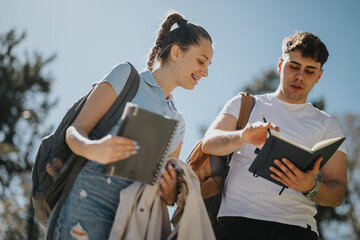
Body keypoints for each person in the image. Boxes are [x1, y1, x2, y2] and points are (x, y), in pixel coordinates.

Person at [47, 12, 213, 239]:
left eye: (208, 65)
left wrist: (170, 191)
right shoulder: (126, 77)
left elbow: (165, 189)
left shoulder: (178, 122)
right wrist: (94, 148)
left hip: (134, 219)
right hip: (88, 202)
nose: (205, 72)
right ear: (176, 52)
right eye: (201, 61)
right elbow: (74, 131)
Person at [202, 32, 346, 240]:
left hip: (297, 229)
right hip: (236, 223)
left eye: (309, 71)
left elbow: (338, 193)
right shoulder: (244, 103)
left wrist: (311, 188)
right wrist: (243, 136)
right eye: (293, 66)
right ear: (280, 65)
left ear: (319, 75)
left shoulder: (328, 125)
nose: (299, 76)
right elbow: (209, 143)